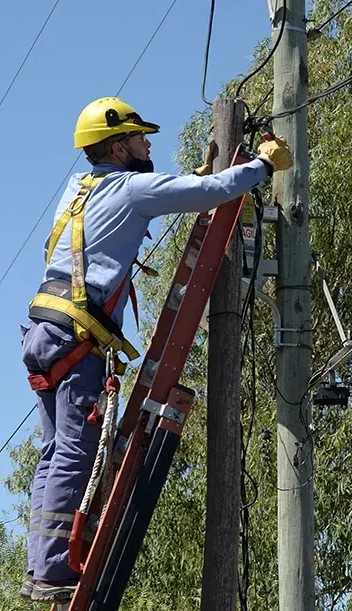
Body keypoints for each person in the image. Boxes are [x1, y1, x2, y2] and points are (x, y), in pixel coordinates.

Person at [19, 96, 293, 604]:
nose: (148, 145)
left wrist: (181, 183)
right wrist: (261, 163)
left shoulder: (76, 192)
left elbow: (156, 200)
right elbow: (212, 190)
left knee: (54, 454)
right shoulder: (131, 189)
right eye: (141, 138)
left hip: (44, 333)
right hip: (77, 339)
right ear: (118, 147)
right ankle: (57, 568)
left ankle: (44, 566)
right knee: (76, 453)